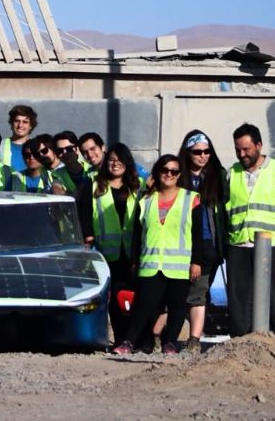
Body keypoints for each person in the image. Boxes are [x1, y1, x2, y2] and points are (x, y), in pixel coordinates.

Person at [113, 155, 206, 355]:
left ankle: (170, 342)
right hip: (150, 263)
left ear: (179, 174)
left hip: (179, 266)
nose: (169, 174)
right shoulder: (146, 200)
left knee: (176, 306)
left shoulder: (191, 199)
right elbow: (138, 234)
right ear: (157, 172)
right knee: (143, 305)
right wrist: (135, 260)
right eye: (165, 170)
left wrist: (197, 262)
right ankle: (129, 342)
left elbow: (198, 234)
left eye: (174, 171)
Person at [224, 123, 275, 338]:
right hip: (239, 242)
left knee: (271, 295)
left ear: (259, 145)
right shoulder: (232, 173)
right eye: (238, 149)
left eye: (246, 149)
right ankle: (239, 341)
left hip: (270, 244)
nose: (242, 154)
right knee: (239, 297)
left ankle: (274, 338)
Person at [160, 129, 227, 353]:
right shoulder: (176, 176)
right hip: (180, 245)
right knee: (176, 293)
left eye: (207, 151)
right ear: (187, 153)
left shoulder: (218, 176)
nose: (202, 155)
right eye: (197, 151)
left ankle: (194, 339)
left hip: (210, 244)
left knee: (199, 292)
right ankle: (165, 336)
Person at [85, 143, 144, 347]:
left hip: (132, 253)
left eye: (119, 160)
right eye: (111, 160)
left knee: (134, 298)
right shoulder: (93, 184)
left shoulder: (139, 186)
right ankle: (120, 338)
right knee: (115, 301)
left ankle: (134, 338)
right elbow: (83, 213)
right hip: (106, 254)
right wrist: (88, 237)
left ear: (127, 163)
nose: (115, 164)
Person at [0, 105, 37, 173]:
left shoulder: (37, 147)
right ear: (11, 123)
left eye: (25, 122)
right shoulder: (0, 145)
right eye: (17, 121)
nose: (20, 125)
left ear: (31, 126)